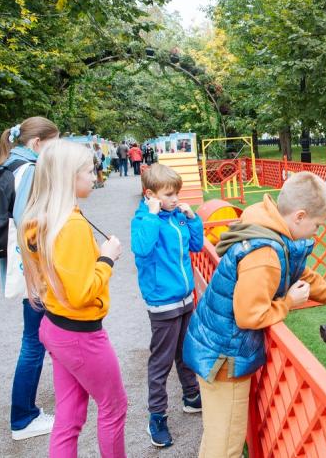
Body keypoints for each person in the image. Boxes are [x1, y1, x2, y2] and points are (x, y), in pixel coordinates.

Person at [182, 172, 326, 458]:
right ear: (299, 216)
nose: (317, 232)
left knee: (217, 435)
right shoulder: (266, 255)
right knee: (225, 447)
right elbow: (248, 316)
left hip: (215, 347)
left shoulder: (269, 227)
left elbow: (303, 274)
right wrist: (288, 303)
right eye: (317, 225)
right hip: (224, 359)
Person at [19, 140, 127, 458]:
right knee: (114, 407)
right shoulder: (72, 225)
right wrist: (107, 258)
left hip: (56, 329)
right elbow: (81, 294)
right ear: (69, 177)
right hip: (81, 335)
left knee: (69, 416)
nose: (94, 176)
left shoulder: (41, 219)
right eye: (88, 171)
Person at [131, 164, 204, 448]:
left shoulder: (177, 217)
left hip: (185, 298)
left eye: (177, 193)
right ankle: (157, 415)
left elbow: (196, 246)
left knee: (184, 350)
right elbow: (143, 249)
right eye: (169, 194)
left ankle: (191, 395)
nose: (175, 199)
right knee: (161, 360)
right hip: (163, 302)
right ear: (150, 195)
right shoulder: (144, 220)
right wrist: (150, 215)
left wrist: (192, 217)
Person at [0, 117, 60, 441]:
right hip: (34, 271)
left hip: (26, 269)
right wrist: (37, 277)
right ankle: (23, 417)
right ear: (37, 144)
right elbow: (26, 225)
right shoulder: (30, 169)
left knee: (35, 339)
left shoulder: (11, 165)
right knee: (33, 342)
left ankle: (26, 412)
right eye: (53, 144)